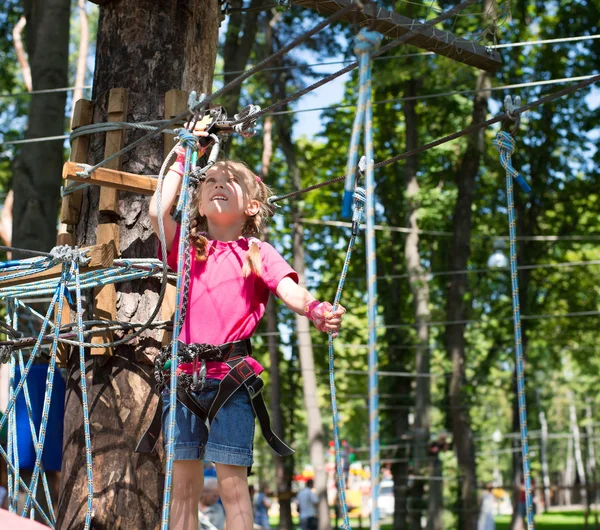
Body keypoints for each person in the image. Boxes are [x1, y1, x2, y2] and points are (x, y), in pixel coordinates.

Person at [146, 125, 346, 530]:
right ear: (199, 204)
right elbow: (156, 211)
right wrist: (186, 154)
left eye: (231, 181)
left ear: (252, 207)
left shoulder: (258, 253)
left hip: (232, 381)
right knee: (182, 486)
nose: (219, 184)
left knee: (233, 486)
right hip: (183, 378)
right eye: (212, 182)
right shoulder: (187, 247)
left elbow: (289, 290)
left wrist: (316, 309)